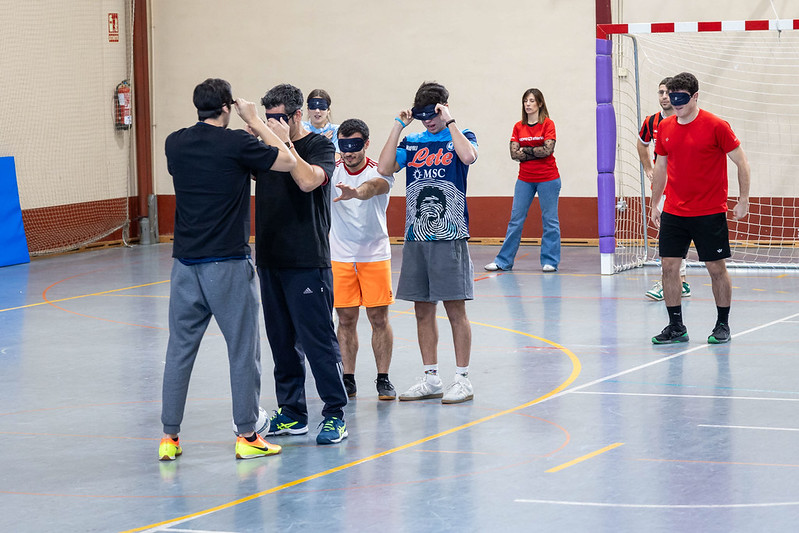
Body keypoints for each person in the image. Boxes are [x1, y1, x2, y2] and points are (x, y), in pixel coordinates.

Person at [159, 78, 295, 461]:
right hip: (227, 264)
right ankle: (248, 436)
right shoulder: (237, 143)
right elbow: (285, 161)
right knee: (242, 350)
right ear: (226, 107)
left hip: (184, 266)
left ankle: (169, 438)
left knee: (179, 352)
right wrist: (255, 119)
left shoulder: (175, 142)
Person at [254, 83, 349, 444]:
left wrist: (283, 142)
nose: (272, 125)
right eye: (268, 119)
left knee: (318, 340)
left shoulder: (319, 146)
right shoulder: (265, 149)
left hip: (307, 259)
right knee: (281, 342)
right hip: (270, 259)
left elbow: (309, 181)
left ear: (296, 116)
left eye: (279, 118)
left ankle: (335, 413)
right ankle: (292, 412)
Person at [377, 81, 478, 404]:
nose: (428, 122)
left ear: (442, 108)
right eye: (422, 116)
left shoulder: (460, 136)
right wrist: (398, 125)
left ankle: (462, 378)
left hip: (450, 235)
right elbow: (384, 167)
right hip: (416, 236)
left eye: (431, 114)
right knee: (423, 309)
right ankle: (431, 377)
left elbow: (469, 156)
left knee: (455, 308)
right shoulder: (414, 140)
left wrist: (450, 121)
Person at [650, 72, 750, 345]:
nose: (676, 102)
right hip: (674, 211)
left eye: (682, 97)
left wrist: (743, 199)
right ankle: (676, 326)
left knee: (715, 268)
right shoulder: (666, 128)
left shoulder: (716, 126)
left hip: (709, 212)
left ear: (695, 96)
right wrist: (654, 204)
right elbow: (660, 168)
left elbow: (741, 162)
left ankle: (722, 324)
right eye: (672, 97)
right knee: (669, 267)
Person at [330, 118, 396, 401]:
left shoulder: (379, 170)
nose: (349, 152)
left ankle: (383, 378)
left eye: (355, 145)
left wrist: (355, 193)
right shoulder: (331, 171)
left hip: (374, 254)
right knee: (345, 319)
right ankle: (348, 378)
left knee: (378, 317)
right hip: (340, 255)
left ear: (366, 144)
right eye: (344, 146)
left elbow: (374, 187)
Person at [485, 88, 561, 273]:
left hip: (548, 178)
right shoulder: (518, 126)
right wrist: (535, 150)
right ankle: (503, 261)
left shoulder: (548, 124)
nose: (528, 104)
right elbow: (513, 153)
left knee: (550, 220)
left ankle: (550, 261)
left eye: (532, 101)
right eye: (525, 101)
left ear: (540, 103)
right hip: (525, 179)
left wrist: (525, 150)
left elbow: (547, 150)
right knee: (516, 220)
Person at [637, 78, 691, 301]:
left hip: (685, 185)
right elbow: (642, 143)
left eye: (668, 92)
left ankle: (674, 280)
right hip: (663, 185)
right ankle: (679, 281)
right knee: (667, 232)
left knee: (677, 233)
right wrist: (648, 168)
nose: (664, 96)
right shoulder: (652, 122)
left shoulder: (686, 119)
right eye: (660, 92)